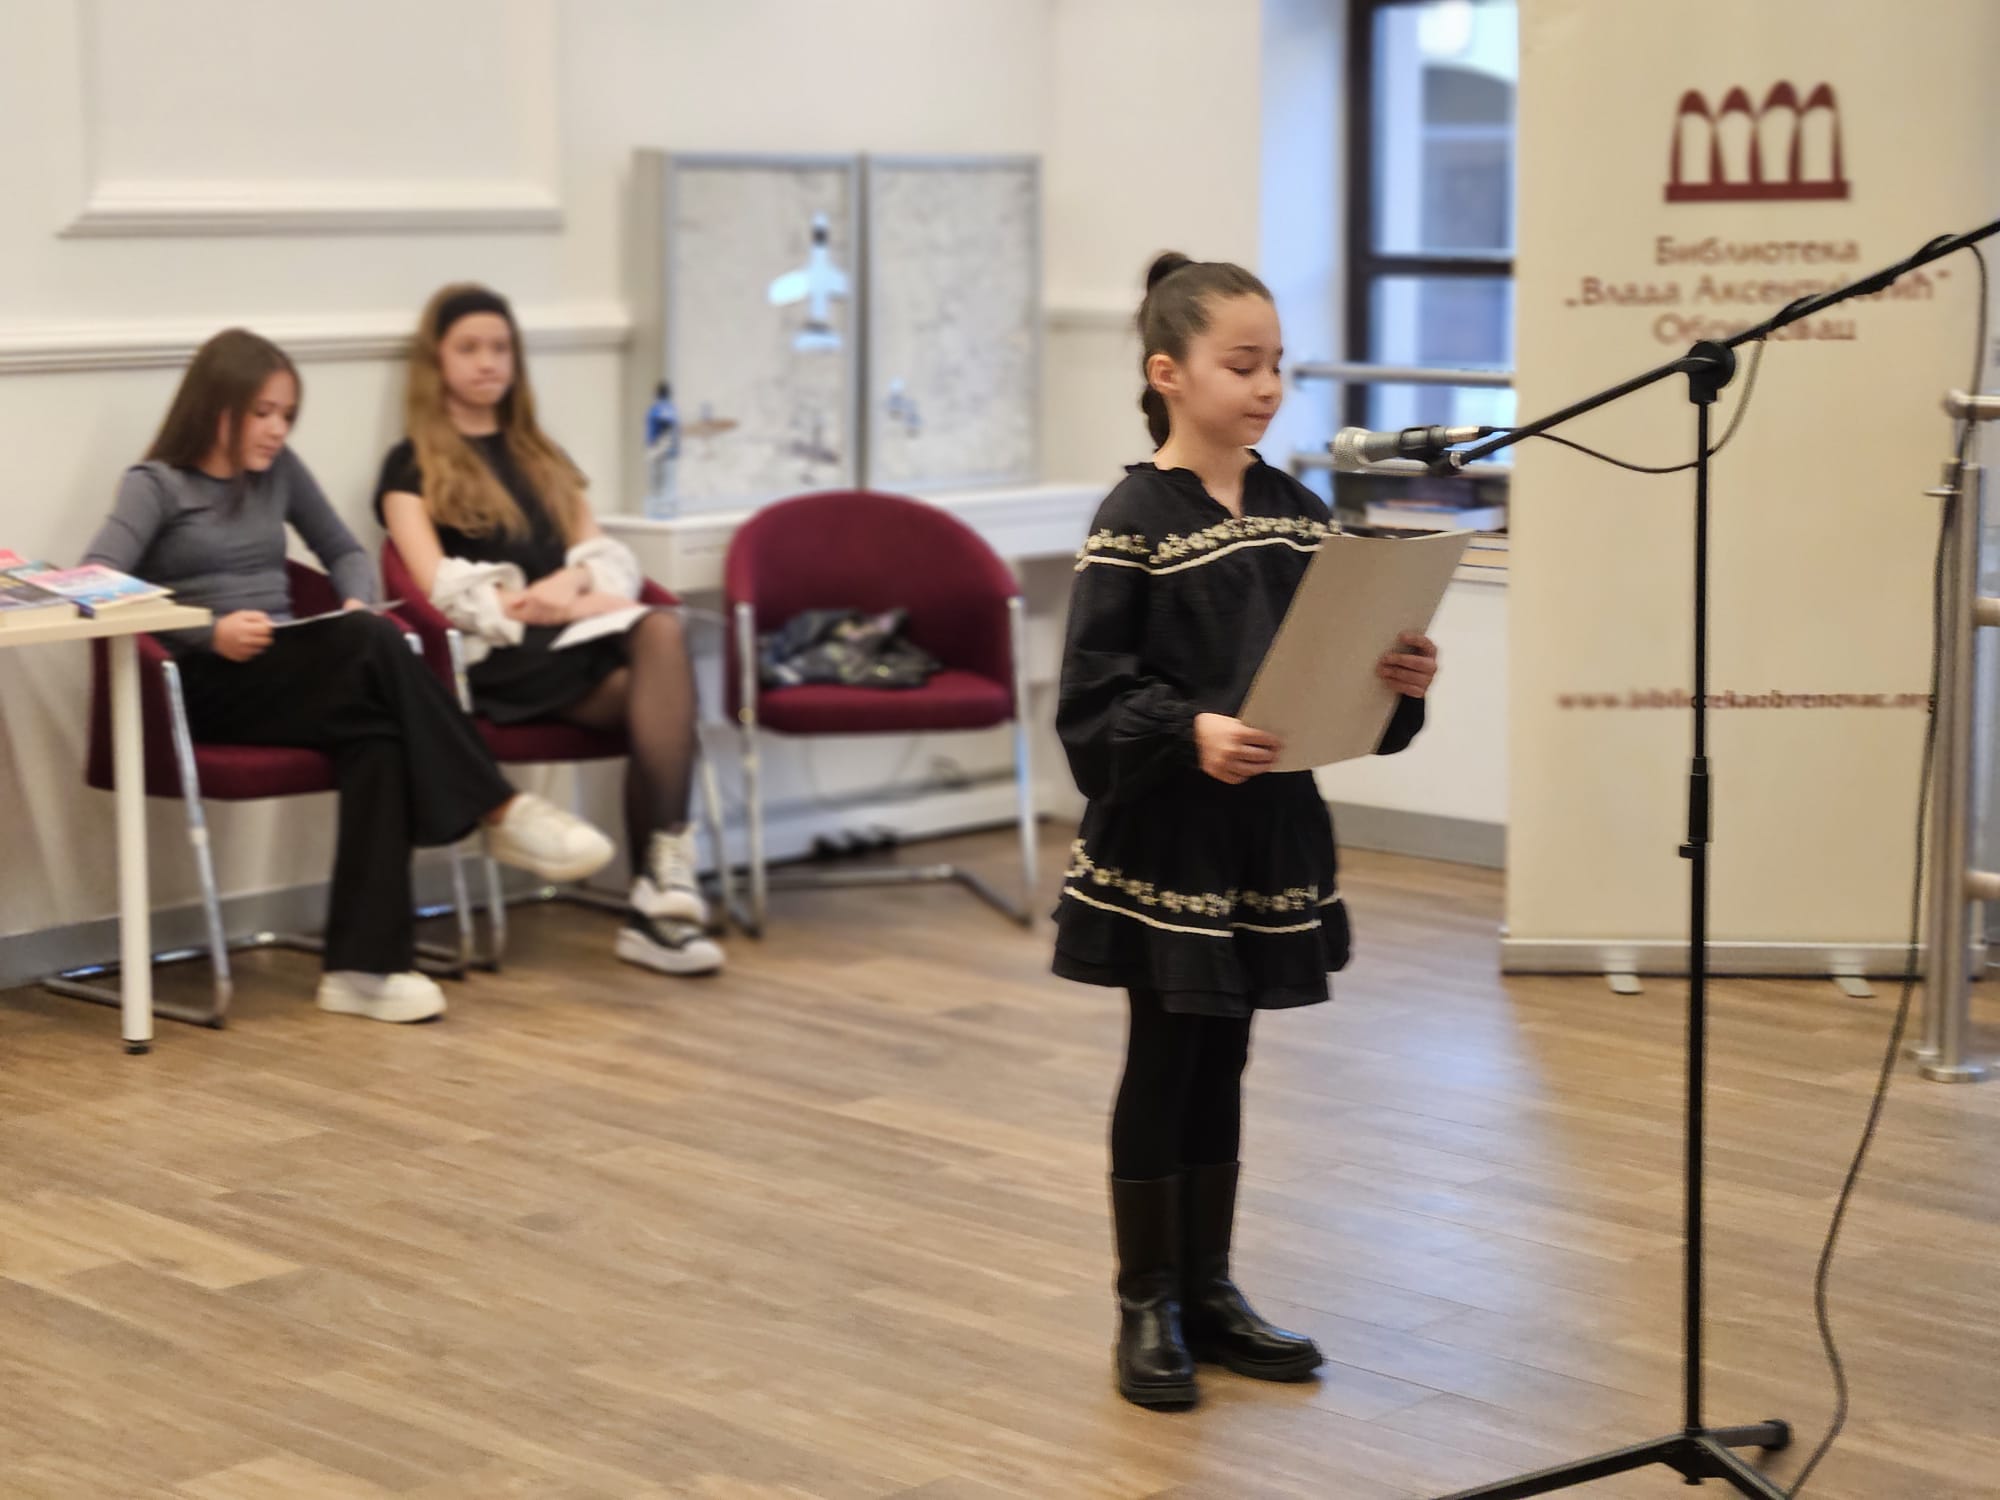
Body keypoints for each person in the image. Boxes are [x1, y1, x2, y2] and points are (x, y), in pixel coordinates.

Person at [1054, 255, 1441, 1410]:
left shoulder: (1295, 511)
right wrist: (1189, 733)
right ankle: (1143, 1303)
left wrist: (1395, 679)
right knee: (1163, 1057)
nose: (1267, 385)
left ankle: (1207, 1291)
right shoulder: (1131, 520)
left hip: (1264, 840)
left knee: (1224, 1056)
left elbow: (1334, 681)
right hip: (1167, 847)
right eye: (1241, 364)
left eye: (1276, 364)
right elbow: (1091, 700)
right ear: (1167, 374)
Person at [82, 329, 618, 1024]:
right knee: (374, 650)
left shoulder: (278, 472)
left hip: (288, 669)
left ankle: (363, 971)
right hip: (202, 685)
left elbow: (344, 551)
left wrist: (358, 600)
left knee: (379, 732)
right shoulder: (155, 485)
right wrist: (206, 631)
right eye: (263, 413)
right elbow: (96, 585)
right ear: (217, 408)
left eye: (287, 414)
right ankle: (498, 807)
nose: (278, 430)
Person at [376, 284, 722, 978]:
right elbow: (430, 581)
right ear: (437, 361)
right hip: (500, 654)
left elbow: (603, 555)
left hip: (571, 644)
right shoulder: (410, 465)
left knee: (660, 634)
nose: (487, 362)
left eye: (500, 348)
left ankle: (656, 895)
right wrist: (521, 602)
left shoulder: (542, 455)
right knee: (660, 665)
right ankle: (662, 886)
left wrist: (573, 583)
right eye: (469, 348)